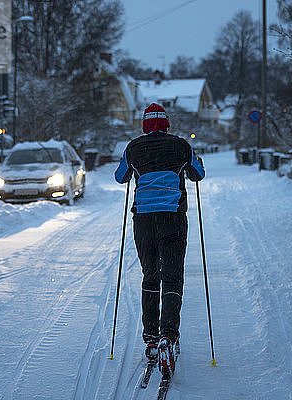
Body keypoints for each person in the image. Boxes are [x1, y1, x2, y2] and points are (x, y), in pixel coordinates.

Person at [114, 103, 205, 378]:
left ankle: (151, 338)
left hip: (143, 220)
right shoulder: (180, 146)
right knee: (173, 277)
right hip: (173, 218)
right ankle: (168, 336)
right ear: (166, 124)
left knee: (150, 277)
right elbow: (198, 173)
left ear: (145, 125)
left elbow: (120, 177)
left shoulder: (133, 147)